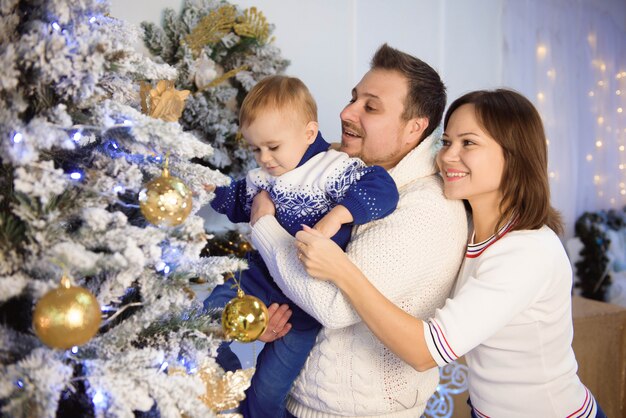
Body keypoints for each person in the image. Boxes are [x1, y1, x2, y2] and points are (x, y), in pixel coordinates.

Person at [293, 89, 607, 417]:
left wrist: (342, 270)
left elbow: (425, 351)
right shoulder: (472, 228)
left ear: (514, 156)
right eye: (445, 142)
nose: (447, 157)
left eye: (468, 143)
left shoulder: (526, 253)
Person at [248, 44, 468, 417]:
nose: (346, 112)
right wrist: (269, 308)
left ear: (415, 128)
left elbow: (333, 307)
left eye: (371, 106)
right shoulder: (341, 169)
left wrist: (264, 226)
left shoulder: (425, 208)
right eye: (353, 99)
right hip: (296, 402)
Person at [205, 74, 400, 417]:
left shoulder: (333, 168)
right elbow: (232, 199)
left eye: (273, 147)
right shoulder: (262, 177)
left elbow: (382, 189)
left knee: (266, 396)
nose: (264, 158)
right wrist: (204, 187)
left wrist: (338, 215)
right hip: (254, 280)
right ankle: (228, 387)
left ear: (309, 133)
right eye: (256, 149)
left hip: (304, 301)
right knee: (200, 323)